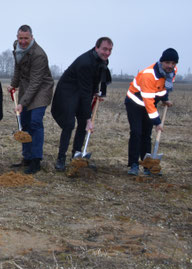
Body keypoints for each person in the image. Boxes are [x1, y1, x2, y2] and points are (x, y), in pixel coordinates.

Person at [51, 37, 113, 171]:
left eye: (109, 50)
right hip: (68, 92)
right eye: (104, 49)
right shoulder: (85, 62)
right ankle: (61, 158)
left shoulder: (101, 60)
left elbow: (95, 79)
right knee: (69, 124)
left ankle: (76, 155)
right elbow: (85, 93)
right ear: (96, 48)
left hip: (81, 90)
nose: (107, 53)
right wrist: (89, 118)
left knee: (82, 124)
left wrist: (97, 92)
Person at [6, 25, 54, 174]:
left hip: (41, 89)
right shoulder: (17, 47)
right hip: (27, 88)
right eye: (20, 38)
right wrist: (14, 85)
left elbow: (36, 83)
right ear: (17, 37)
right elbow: (18, 68)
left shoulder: (39, 55)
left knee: (35, 122)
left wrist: (22, 103)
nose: (23, 41)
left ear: (32, 37)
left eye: (26, 38)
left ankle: (36, 161)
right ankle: (26, 157)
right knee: (24, 122)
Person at [125, 48, 178, 176]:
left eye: (173, 63)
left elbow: (164, 87)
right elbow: (148, 101)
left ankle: (147, 165)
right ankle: (133, 164)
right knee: (136, 132)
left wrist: (165, 99)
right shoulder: (149, 75)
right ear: (162, 62)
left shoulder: (172, 71)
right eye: (167, 63)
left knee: (146, 135)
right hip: (135, 103)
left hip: (149, 103)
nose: (170, 66)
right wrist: (157, 122)